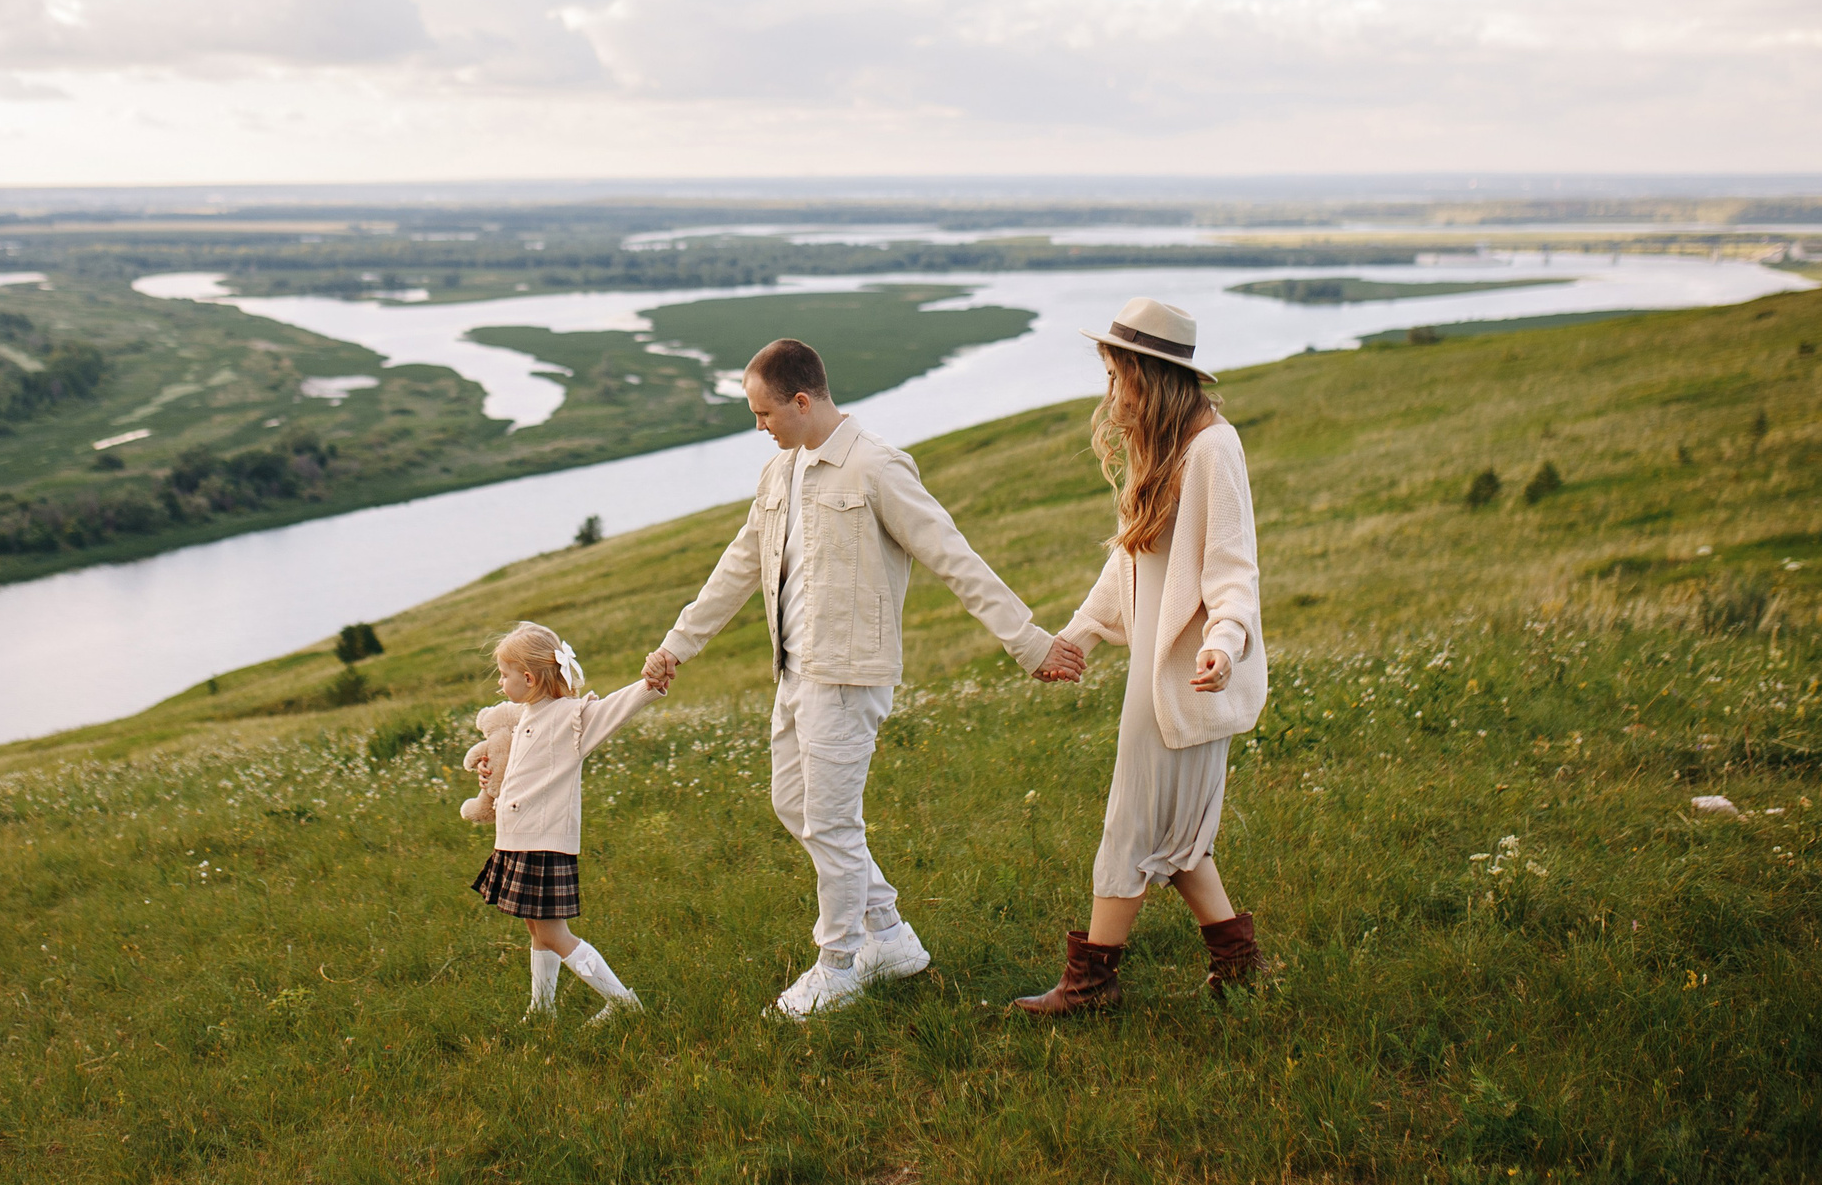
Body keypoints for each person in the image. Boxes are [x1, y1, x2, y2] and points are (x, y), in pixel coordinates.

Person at [643, 337, 1084, 1020]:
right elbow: (737, 565)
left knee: (832, 820)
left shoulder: (876, 466)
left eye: (763, 412)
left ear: (802, 399)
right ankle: (891, 935)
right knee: (796, 806)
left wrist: (1030, 643)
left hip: (850, 677)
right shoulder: (778, 473)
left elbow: (953, 555)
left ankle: (840, 964)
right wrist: (678, 643)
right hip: (795, 672)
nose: (757, 425)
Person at [1013, 297, 1270, 1017]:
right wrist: (1079, 635)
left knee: (1131, 828)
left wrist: (1222, 647)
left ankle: (1091, 984)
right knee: (1181, 840)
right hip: (1156, 679)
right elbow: (1130, 561)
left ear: (1150, 375)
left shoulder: (1214, 448)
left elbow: (1232, 570)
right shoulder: (1161, 445)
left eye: (1117, 371)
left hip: (1189, 675)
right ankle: (1239, 965)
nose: (1110, 389)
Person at [470, 622, 660, 1022]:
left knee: (555, 934)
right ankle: (542, 1008)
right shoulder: (524, 715)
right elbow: (518, 769)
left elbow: (613, 709)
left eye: (504, 675)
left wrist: (649, 685)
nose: (500, 683)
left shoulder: (570, 717)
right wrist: (493, 778)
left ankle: (625, 1005)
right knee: (536, 930)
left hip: (543, 843)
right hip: (517, 840)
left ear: (528, 677)